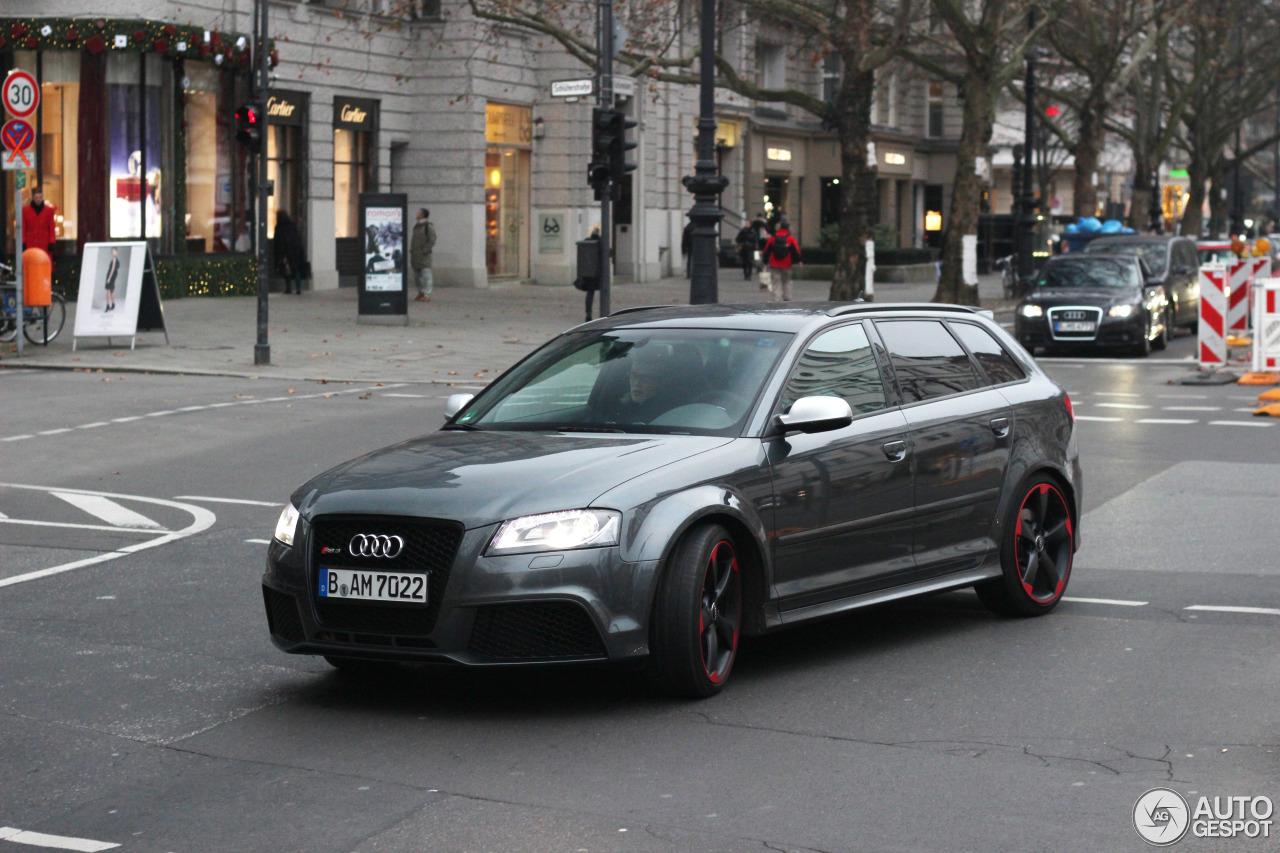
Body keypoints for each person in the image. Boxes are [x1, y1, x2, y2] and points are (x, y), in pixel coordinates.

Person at [761, 217, 802, 302]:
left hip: (774, 263)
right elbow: (796, 251)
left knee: (776, 282)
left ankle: (776, 298)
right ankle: (787, 297)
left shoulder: (773, 238)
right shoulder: (790, 238)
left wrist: (765, 262)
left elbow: (766, 251)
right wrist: (799, 261)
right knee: (787, 281)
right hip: (786, 264)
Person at [274, 210, 307, 295]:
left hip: (286, 251)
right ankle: (298, 288)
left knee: (287, 270)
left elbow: (278, 241)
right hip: (295, 251)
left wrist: (280, 253)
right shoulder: (292, 225)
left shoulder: (279, 227)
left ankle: (288, 288)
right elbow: (297, 238)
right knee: (296, 270)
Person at [410, 208, 437, 302]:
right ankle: (420, 291)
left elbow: (432, 240)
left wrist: (424, 250)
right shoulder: (417, 226)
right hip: (415, 255)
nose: (417, 214)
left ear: (423, 215)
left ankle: (427, 294)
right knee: (417, 276)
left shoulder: (428, 226)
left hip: (424, 255)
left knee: (426, 275)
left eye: (419, 212)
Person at [21, 187, 58, 255]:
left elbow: (51, 227)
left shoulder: (49, 211)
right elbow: (23, 227)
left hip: (44, 242)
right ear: (32, 198)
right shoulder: (25, 210)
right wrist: (23, 242)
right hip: (31, 242)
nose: (38, 199)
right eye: (36, 197)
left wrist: (52, 241)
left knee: (44, 262)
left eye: (40, 197)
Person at [102, 246, 119, 312]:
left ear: (116, 251)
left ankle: (107, 305)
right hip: (113, 276)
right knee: (111, 291)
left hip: (111, 276)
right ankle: (113, 304)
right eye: (112, 251)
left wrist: (109, 278)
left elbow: (112, 269)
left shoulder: (114, 259)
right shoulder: (116, 259)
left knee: (108, 291)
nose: (113, 252)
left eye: (114, 251)